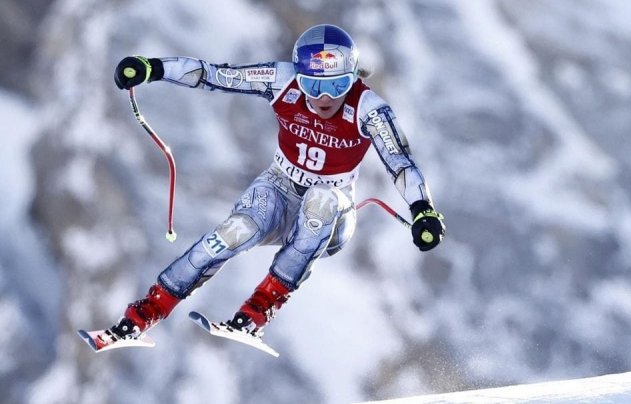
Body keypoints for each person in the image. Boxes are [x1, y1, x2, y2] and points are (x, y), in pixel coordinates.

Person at [108, 24, 445, 340]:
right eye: (313, 85)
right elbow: (215, 75)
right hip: (279, 185)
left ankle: (259, 308)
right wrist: (153, 67)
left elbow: (399, 161)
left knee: (320, 202)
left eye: (337, 85)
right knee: (232, 233)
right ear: (298, 76)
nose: (324, 98)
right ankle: (147, 311)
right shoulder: (280, 79)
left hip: (333, 212)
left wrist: (422, 209)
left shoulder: (368, 108)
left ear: (353, 79)